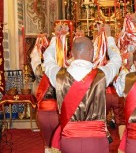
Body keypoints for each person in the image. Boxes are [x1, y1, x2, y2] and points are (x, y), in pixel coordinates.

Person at [43, 24, 122, 153]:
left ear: (72, 53)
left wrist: (56, 39)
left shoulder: (58, 75)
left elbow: (48, 58)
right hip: (96, 141)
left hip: (69, 141)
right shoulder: (102, 75)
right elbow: (117, 59)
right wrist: (109, 38)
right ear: (92, 52)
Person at [30, 38, 59, 153]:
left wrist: (38, 42)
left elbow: (34, 57)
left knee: (47, 144)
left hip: (42, 114)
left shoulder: (38, 69)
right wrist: (57, 39)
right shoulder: (60, 69)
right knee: (58, 144)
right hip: (57, 113)